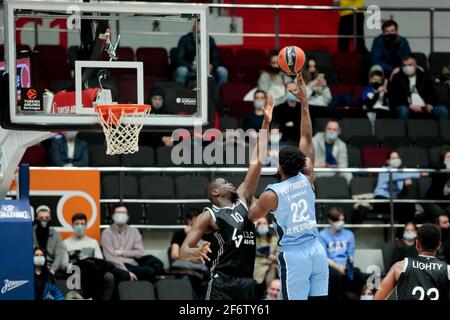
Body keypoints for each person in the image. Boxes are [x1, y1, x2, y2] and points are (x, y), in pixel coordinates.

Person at [179, 92, 275, 300]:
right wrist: (196, 252)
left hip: (246, 280)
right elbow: (183, 250)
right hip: (222, 279)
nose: (229, 182)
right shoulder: (210, 215)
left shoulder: (242, 197)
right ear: (215, 192)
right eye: (223, 182)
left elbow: (256, 162)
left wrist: (265, 125)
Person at [248, 74, 329, 300]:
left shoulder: (272, 195)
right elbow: (306, 136)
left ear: (280, 167)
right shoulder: (308, 178)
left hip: (295, 256)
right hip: (317, 249)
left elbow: (250, 216)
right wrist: (304, 102)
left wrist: (246, 191)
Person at [374, 223, 450, 300]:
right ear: (439, 245)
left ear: (417, 244)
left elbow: (378, 298)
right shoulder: (447, 270)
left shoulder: (400, 267)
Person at [101, 205, 160, 283]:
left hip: (132, 264)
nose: (121, 215)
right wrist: (126, 271)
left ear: (128, 216)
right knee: (123, 275)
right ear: (113, 216)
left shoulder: (134, 231)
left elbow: (139, 253)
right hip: (116, 266)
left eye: (123, 213)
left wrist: (122, 252)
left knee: (150, 271)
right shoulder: (106, 233)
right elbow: (110, 257)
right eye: (118, 212)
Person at [62, 213, 115, 300]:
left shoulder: (93, 242)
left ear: (86, 226)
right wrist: (76, 268)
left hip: (93, 271)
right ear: (72, 225)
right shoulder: (65, 243)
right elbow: (64, 264)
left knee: (109, 277)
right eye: (77, 224)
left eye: (82, 224)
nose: (80, 226)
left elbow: (99, 260)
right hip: (75, 271)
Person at [319, 207, 365, 300]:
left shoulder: (349, 234)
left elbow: (350, 256)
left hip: (345, 266)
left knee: (358, 273)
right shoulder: (322, 235)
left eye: (343, 220)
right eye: (339, 220)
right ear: (330, 220)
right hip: (330, 267)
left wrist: (348, 266)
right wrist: (338, 267)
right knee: (335, 276)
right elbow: (323, 258)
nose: (342, 222)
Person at [389, 56, 449, 121]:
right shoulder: (397, 78)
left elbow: (432, 94)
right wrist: (409, 106)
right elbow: (394, 98)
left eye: (410, 65)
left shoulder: (424, 77)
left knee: (442, 110)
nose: (407, 67)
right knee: (403, 110)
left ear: (415, 65)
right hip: (407, 107)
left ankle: (445, 131)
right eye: (404, 65)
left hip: (424, 106)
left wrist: (430, 105)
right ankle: (402, 131)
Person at [373, 151, 422, 224]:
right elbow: (397, 176)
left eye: (398, 158)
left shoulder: (400, 172)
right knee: (408, 207)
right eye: (393, 158)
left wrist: (405, 182)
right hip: (381, 200)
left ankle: (403, 232)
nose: (396, 160)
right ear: (388, 161)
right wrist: (419, 173)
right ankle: (401, 233)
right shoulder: (384, 170)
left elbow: (400, 186)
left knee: (409, 206)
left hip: (394, 200)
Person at [169, 208, 208, 298]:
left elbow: (202, 256)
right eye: (197, 219)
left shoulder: (205, 234)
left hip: (201, 269)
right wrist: (193, 257)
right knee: (185, 279)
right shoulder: (179, 234)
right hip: (184, 269)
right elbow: (174, 255)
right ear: (189, 220)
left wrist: (193, 237)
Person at [32, 205, 65, 277]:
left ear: (50, 219)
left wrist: (53, 270)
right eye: (41, 218)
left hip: (50, 267)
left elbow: (59, 254)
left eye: (47, 218)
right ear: (36, 218)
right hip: (33, 267)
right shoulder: (30, 233)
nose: (44, 220)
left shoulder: (55, 234)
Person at [253, 217, 279, 299]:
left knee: (272, 270)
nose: (262, 226)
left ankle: (270, 294)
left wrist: (274, 257)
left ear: (268, 225)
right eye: (259, 223)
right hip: (257, 266)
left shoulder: (274, 238)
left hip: (272, 265)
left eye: (264, 223)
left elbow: (279, 254)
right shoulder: (253, 238)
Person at [425, 150, 450, 216]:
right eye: (448, 157)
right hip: (432, 200)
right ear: (443, 159)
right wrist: (446, 167)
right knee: (440, 212)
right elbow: (433, 164)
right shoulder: (439, 171)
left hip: (446, 202)